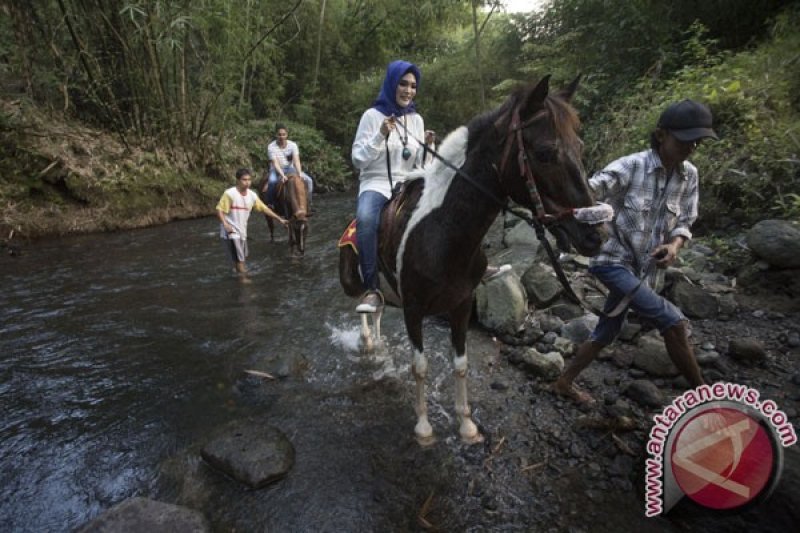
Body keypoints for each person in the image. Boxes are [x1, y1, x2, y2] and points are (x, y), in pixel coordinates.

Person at [552, 99, 719, 404]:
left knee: (607, 329)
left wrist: (674, 245)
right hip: (611, 260)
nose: (691, 147)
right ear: (660, 135)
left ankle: (564, 381)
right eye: (684, 140)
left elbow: (686, 220)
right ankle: (705, 399)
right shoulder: (631, 166)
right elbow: (591, 189)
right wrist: (560, 208)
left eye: (697, 141)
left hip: (644, 271)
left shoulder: (689, 175)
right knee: (674, 322)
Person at [351, 60, 426, 313]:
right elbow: (358, 159)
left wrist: (429, 148)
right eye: (403, 84)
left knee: (448, 204)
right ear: (392, 83)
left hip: (408, 182)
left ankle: (468, 267)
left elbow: (420, 164)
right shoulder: (371, 117)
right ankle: (372, 289)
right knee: (365, 218)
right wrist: (380, 134)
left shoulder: (416, 120)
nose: (408, 90)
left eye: (413, 86)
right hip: (376, 183)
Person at [217, 168, 287, 280]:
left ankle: (237, 278)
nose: (247, 182)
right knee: (240, 259)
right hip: (230, 232)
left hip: (242, 231)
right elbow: (220, 210)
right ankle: (244, 281)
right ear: (238, 180)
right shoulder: (229, 194)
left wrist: (280, 219)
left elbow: (264, 209)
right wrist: (225, 224)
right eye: (244, 180)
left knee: (239, 259)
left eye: (249, 180)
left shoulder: (252, 195)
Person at [263, 124, 314, 211]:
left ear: (287, 135)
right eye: (279, 134)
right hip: (276, 169)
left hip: (291, 169)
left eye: (283, 134)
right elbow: (275, 163)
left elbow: (296, 161)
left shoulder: (293, 145)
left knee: (309, 180)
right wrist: (282, 175)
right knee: (272, 182)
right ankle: (271, 203)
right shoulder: (271, 147)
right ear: (276, 135)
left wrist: (299, 173)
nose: (281, 136)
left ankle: (308, 203)